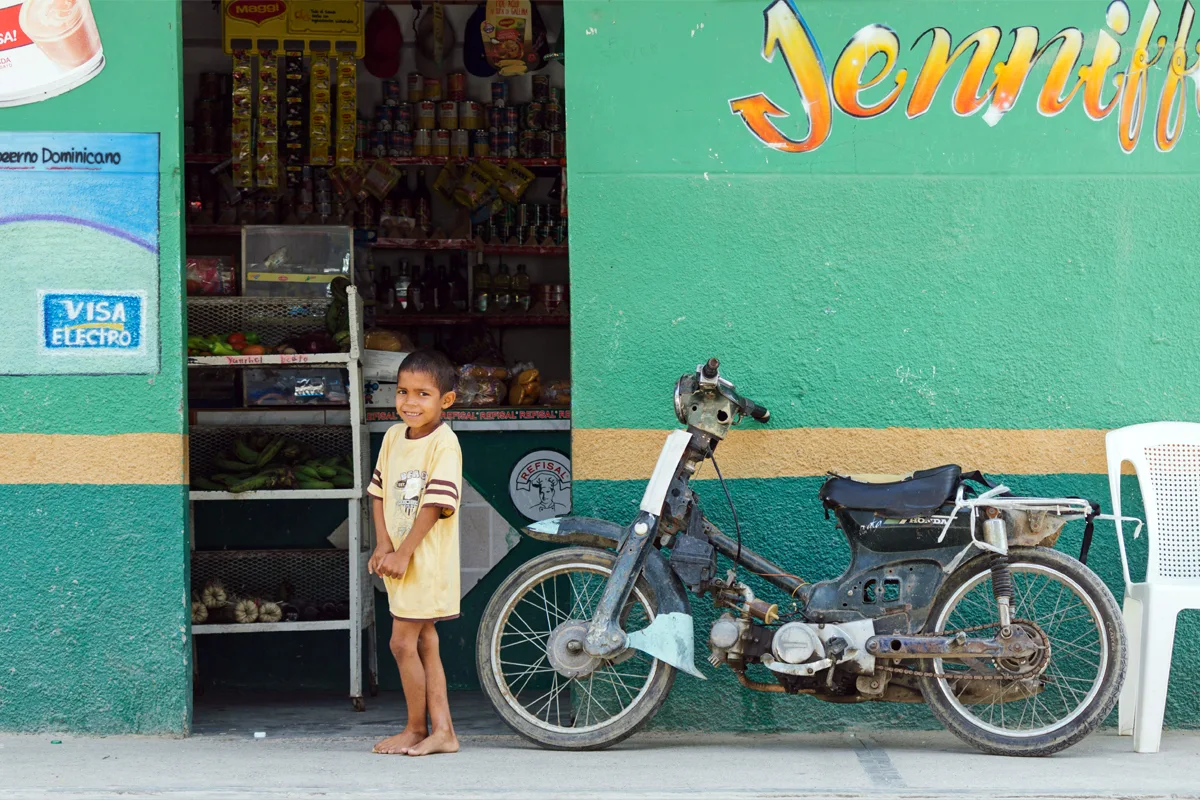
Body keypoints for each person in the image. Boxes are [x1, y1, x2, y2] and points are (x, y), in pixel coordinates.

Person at [368, 349, 462, 756]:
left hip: (425, 562)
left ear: (446, 400)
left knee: (401, 643)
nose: (410, 402)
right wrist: (384, 544)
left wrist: (404, 553)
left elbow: (434, 505)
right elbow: (376, 492)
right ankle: (443, 731)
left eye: (423, 394)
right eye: (403, 391)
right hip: (400, 558)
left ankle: (414, 728)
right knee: (424, 641)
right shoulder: (392, 438)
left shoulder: (445, 443)